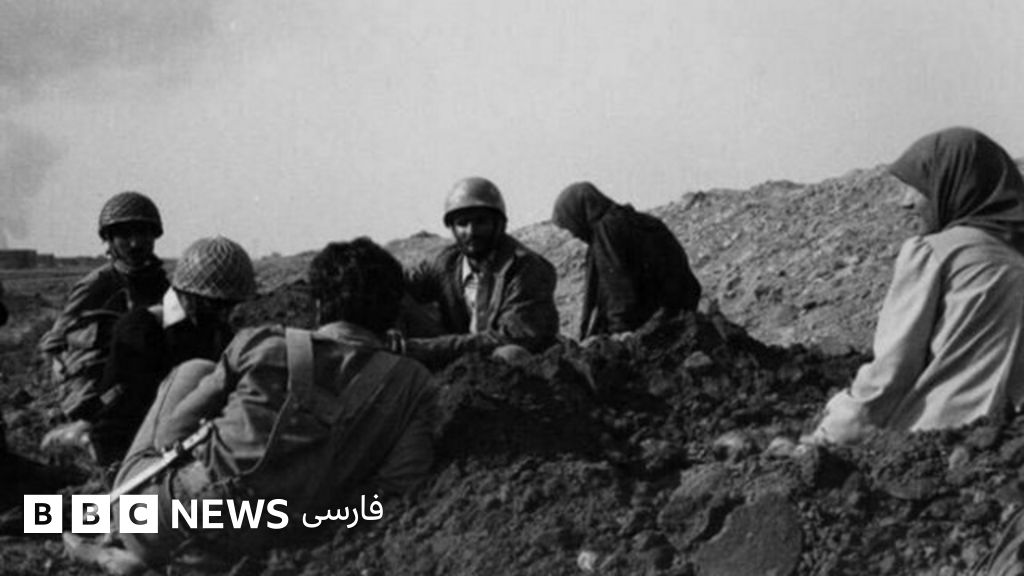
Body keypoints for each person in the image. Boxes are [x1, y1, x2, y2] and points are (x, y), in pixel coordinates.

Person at [65, 237, 437, 574]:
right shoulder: (413, 382)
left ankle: (112, 544)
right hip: (282, 536)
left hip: (172, 519)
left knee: (194, 370)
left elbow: (170, 434)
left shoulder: (262, 343)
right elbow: (401, 480)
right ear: (392, 312)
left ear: (319, 304)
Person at [805, 127, 1024, 445]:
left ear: (951, 185)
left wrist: (828, 435)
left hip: (940, 439)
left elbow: (891, 374)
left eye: (918, 188)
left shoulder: (935, 253)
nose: (905, 203)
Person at [40, 237, 257, 466]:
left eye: (229, 306)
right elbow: (120, 401)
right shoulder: (141, 328)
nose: (223, 314)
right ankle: (80, 437)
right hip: (124, 426)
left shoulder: (216, 331)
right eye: (214, 304)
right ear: (189, 295)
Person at [39, 191, 169, 420]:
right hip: (105, 392)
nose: (135, 243)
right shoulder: (98, 283)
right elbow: (54, 342)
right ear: (109, 240)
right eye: (124, 235)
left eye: (142, 233)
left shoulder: (161, 283)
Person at [404, 177, 559, 366]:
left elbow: (510, 338)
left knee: (510, 355)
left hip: (512, 366)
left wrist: (425, 349)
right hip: (460, 358)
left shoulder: (526, 268)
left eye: (480, 222)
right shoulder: (446, 262)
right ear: (452, 229)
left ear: (498, 224)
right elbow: (397, 283)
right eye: (462, 223)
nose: (471, 232)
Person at [551, 181, 702, 340]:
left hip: (649, 326)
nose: (574, 234)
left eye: (570, 225)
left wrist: (620, 333)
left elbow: (618, 288)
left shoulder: (607, 229)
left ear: (578, 215)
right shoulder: (638, 221)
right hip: (679, 312)